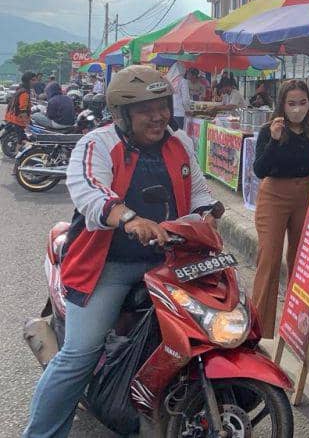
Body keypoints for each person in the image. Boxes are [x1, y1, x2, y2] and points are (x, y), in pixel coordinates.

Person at [22, 65, 219, 438]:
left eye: (162, 105)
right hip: (106, 264)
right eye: (146, 109)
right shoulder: (96, 143)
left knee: (204, 334)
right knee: (79, 355)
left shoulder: (180, 144)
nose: (159, 115)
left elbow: (199, 193)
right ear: (121, 114)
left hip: (168, 261)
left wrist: (208, 215)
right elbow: (89, 193)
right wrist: (129, 218)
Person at [251, 80, 309, 338]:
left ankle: (303, 325)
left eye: (302, 103)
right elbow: (259, 170)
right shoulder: (268, 130)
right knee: (269, 258)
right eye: (291, 104)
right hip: (274, 195)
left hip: (305, 194)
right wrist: (274, 140)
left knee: (302, 260)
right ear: (282, 104)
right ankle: (258, 327)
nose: (297, 109)